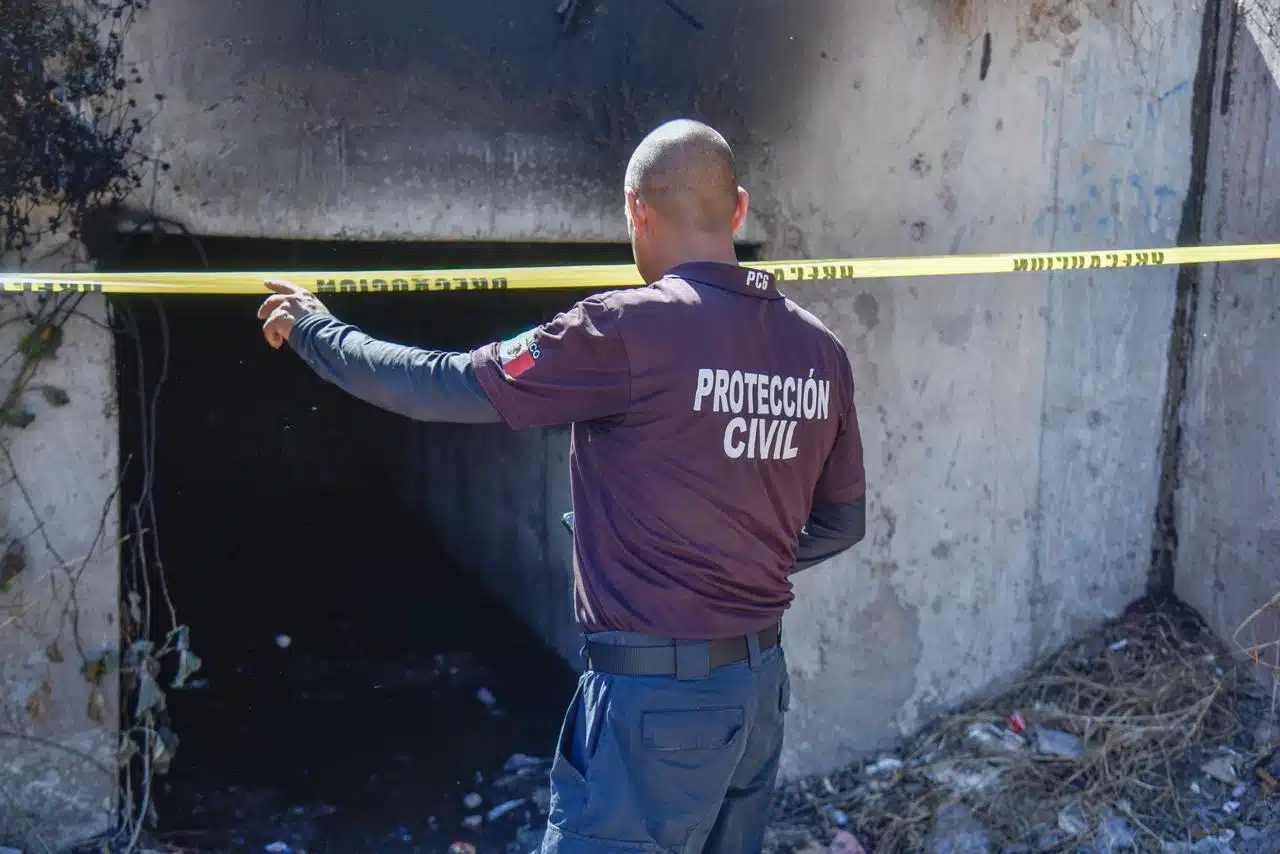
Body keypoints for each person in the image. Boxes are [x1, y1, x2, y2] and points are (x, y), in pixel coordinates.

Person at [257, 118, 867, 853]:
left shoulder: (629, 328)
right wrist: (736, 560)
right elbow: (842, 521)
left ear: (636, 211)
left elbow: (448, 386)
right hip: (758, 691)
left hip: (656, 703)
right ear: (738, 210)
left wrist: (321, 334)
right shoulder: (819, 350)